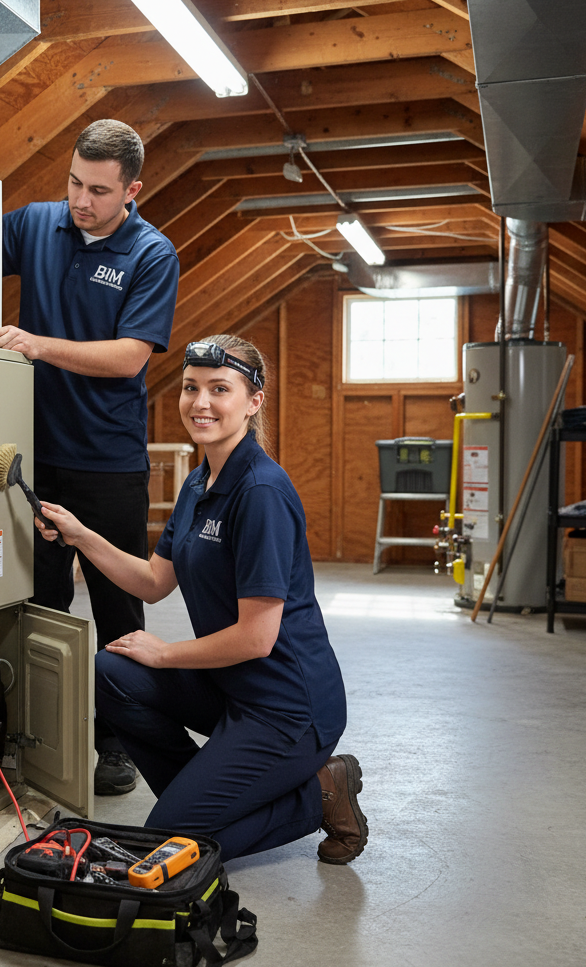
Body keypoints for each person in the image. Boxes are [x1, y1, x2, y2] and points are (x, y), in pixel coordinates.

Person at [33, 334, 368, 864]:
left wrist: (165, 653)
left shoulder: (260, 493)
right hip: (233, 690)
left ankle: (318, 793)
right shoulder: (198, 484)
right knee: (113, 671)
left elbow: (257, 638)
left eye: (219, 389)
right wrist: (80, 534)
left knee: (171, 844)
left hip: (289, 708)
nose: (200, 402)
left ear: (254, 402)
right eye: (191, 388)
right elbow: (152, 581)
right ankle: (202, 798)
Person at [0, 120, 180, 796]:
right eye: (74, 181)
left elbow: (130, 356)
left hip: (107, 461)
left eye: (98, 190)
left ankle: (116, 742)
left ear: (132, 190)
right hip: (32, 454)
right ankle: (35, 741)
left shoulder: (152, 253)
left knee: (117, 608)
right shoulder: (37, 225)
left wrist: (36, 344)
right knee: (36, 604)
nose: (81, 200)